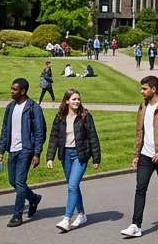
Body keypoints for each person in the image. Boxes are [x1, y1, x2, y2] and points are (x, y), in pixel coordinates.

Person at [121, 76, 158, 238]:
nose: (142, 92)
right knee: (140, 188)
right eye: (142, 88)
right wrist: (136, 154)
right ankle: (135, 225)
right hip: (145, 155)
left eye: (144, 89)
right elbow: (139, 132)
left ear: (154, 89)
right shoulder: (143, 107)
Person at [47, 89, 102, 232]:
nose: (77, 101)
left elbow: (93, 137)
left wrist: (96, 158)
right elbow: (54, 138)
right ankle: (82, 214)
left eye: (78, 99)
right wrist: (50, 157)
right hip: (66, 155)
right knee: (74, 186)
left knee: (72, 186)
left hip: (80, 155)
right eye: (74, 99)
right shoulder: (60, 117)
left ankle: (67, 218)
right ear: (66, 101)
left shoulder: (85, 116)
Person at [0, 78, 46, 228]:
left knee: (19, 181)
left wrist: (37, 153)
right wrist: (0, 151)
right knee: (13, 181)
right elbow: (5, 129)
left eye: (14, 89)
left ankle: (17, 215)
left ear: (22, 91)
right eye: (11, 89)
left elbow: (40, 131)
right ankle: (33, 198)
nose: (11, 91)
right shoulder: (10, 107)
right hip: (12, 149)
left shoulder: (33, 107)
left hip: (26, 149)